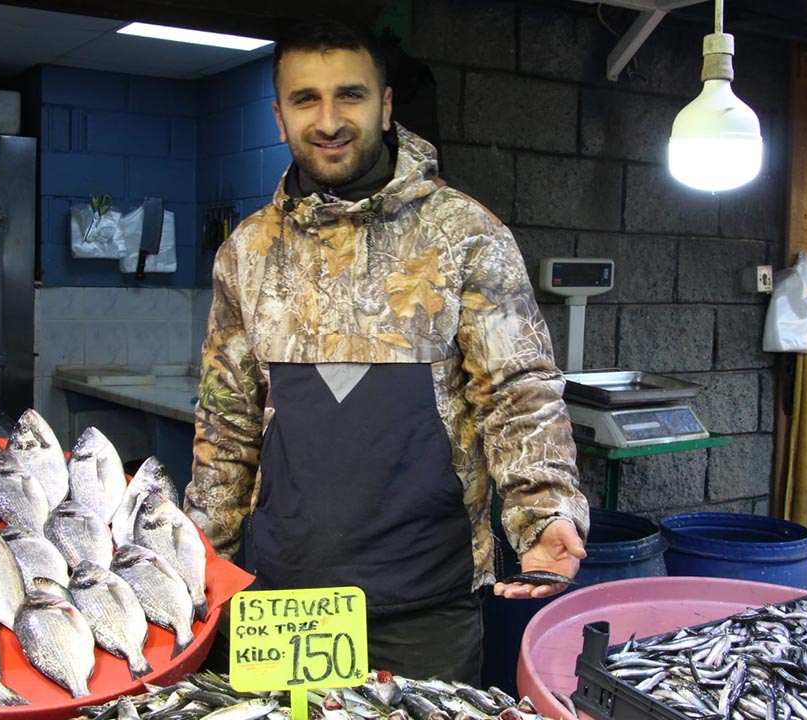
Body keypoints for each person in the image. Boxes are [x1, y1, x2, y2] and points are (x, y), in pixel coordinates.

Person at [185, 18, 589, 684]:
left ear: (386, 104)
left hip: (428, 601)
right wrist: (205, 554)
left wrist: (545, 512)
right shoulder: (247, 254)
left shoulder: (465, 234)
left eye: (350, 95)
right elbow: (226, 420)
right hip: (287, 599)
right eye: (304, 99)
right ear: (279, 116)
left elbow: (517, 391)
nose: (329, 119)